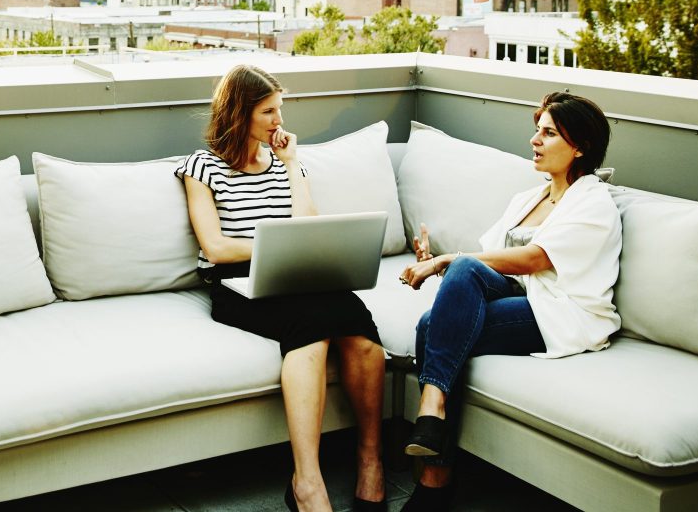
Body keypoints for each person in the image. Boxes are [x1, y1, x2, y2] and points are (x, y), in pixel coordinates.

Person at [398, 91, 622, 510]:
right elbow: (483, 264)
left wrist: (450, 262)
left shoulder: (594, 202)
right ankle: (434, 445)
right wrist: (439, 260)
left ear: (580, 147)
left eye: (549, 133)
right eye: (537, 130)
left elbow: (534, 259)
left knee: (433, 327)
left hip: (560, 310)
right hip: (517, 296)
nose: (535, 141)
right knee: (459, 279)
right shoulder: (528, 199)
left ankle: (434, 471)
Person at [177, 65, 386, 512]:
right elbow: (214, 246)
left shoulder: (286, 161)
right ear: (240, 114)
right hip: (236, 285)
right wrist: (269, 248)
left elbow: (306, 226)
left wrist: (291, 165)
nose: (279, 121)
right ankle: (306, 482)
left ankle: (371, 460)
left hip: (296, 275)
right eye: (268, 111)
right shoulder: (201, 167)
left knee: (363, 335)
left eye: (280, 110)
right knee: (310, 335)